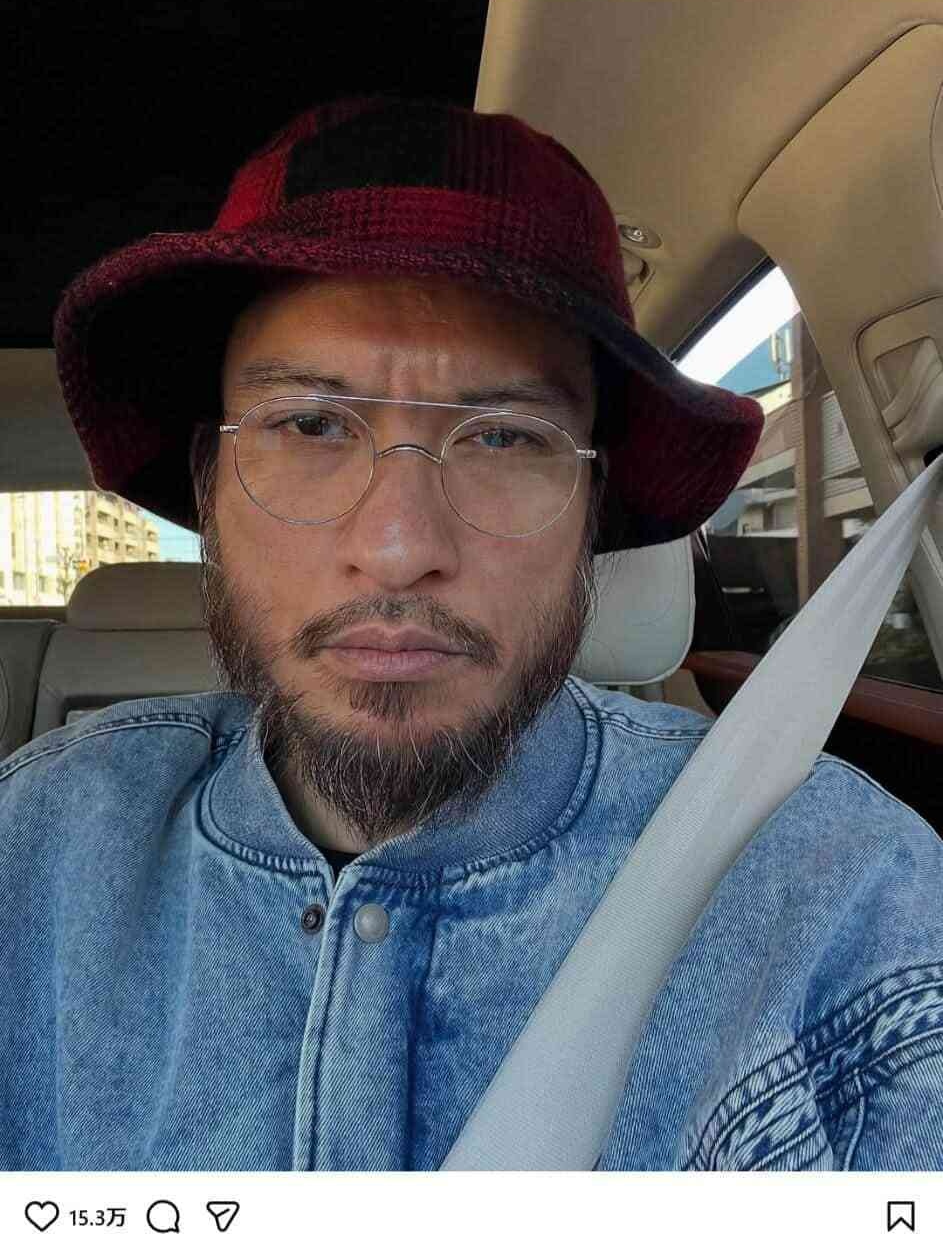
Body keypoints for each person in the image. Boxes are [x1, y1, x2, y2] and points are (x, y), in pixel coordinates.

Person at [3, 96, 942, 1170]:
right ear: (210, 484)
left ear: (593, 505)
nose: (398, 548)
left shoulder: (834, 893)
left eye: (503, 436)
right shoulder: (34, 848)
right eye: (310, 424)